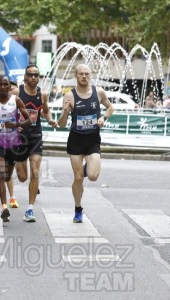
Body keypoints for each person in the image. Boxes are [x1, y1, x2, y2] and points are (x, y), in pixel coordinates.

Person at [58, 64, 114, 223]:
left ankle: (86, 168)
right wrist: (65, 112)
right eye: (81, 74)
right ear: (75, 76)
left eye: (87, 74)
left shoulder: (99, 92)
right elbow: (62, 124)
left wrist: (104, 117)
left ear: (90, 75)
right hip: (76, 140)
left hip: (92, 140)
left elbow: (111, 107)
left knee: (93, 176)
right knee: (78, 178)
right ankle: (78, 209)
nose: (84, 76)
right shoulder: (69, 96)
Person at [13, 64, 57, 222]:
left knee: (35, 172)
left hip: (36, 135)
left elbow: (45, 111)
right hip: (19, 136)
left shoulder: (43, 94)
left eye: (36, 75)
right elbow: (7, 109)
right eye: (30, 75)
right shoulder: (17, 91)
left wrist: (50, 119)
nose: (33, 77)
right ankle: (25, 174)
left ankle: (30, 210)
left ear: (39, 77)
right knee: (23, 177)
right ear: (25, 77)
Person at [0, 75, 31, 223]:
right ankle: (4, 207)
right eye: (0, 85)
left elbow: (29, 120)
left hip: (13, 143)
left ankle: (8, 180)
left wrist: (16, 125)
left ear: (9, 87)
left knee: (8, 175)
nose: (3, 87)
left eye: (6, 85)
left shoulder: (15, 101)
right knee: (1, 173)